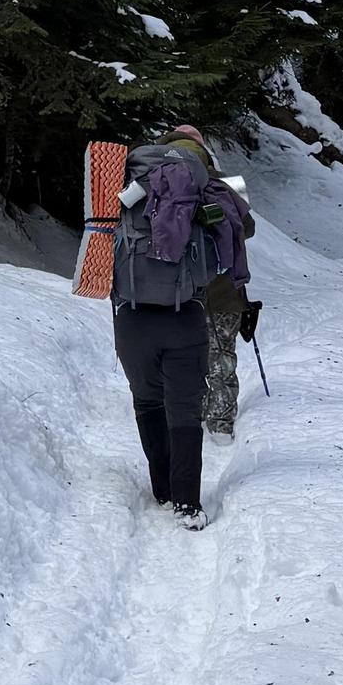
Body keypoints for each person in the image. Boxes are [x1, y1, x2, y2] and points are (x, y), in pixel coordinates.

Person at [109, 123, 256, 521]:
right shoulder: (213, 184)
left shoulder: (127, 181)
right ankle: (187, 503)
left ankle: (162, 489)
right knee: (185, 410)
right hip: (188, 313)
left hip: (133, 317)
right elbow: (244, 230)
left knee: (148, 402)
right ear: (200, 149)